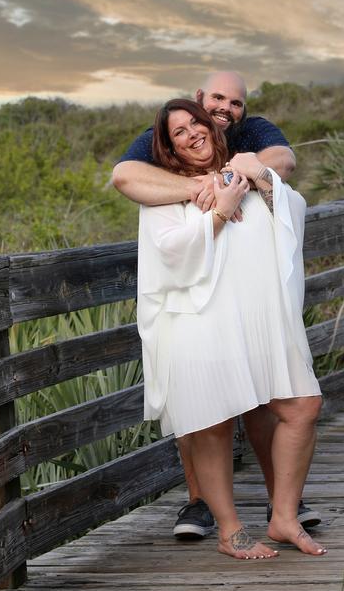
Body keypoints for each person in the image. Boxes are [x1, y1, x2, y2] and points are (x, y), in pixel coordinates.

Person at [112, 71, 322, 538]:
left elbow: (287, 183)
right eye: (180, 132)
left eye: (199, 123)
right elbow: (165, 243)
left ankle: (283, 512)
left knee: (299, 406)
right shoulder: (163, 191)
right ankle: (218, 520)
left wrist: (248, 174)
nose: (195, 132)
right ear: (166, 145)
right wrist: (214, 203)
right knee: (211, 419)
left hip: (258, 320)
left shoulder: (245, 152)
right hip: (200, 320)